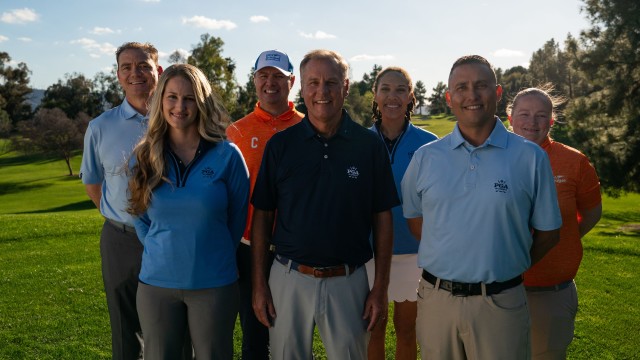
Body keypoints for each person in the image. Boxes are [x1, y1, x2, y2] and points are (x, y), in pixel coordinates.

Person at [401, 55, 563, 360]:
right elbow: (416, 220)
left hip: (501, 303)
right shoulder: (426, 158)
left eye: (481, 86)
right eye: (461, 87)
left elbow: (549, 233)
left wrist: (507, 261)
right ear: (449, 98)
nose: (471, 95)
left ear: (498, 93)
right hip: (437, 302)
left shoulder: (530, 158)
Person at [250, 49, 399, 359]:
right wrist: (260, 285)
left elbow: (382, 218)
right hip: (288, 278)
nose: (322, 92)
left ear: (345, 87)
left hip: (349, 280)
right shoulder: (281, 145)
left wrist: (380, 289)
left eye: (331, 82)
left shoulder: (368, 146)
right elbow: (263, 216)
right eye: (313, 82)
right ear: (302, 87)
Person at [127, 63, 249, 359]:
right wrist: (165, 250)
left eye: (189, 98)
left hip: (214, 284)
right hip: (157, 285)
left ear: (201, 103)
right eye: (172, 97)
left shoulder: (227, 155)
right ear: (160, 100)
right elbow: (140, 218)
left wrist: (209, 252)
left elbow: (237, 220)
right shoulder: (143, 156)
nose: (179, 106)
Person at [80, 42, 162, 360]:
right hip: (121, 240)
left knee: (176, 325)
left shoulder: (179, 118)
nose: (134, 73)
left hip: (172, 239)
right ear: (118, 75)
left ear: (159, 70)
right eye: (126, 67)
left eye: (143, 65)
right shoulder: (100, 127)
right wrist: (119, 220)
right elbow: (92, 183)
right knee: (127, 331)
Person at [508, 85, 602, 360]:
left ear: (551, 120)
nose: (532, 122)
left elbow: (592, 213)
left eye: (541, 115)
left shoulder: (574, 161)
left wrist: (562, 239)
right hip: (499, 291)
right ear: (510, 117)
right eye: (524, 114)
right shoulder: (492, 156)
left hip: (550, 292)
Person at [225, 49, 303, 360]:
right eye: (263, 75)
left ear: (291, 82)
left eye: (278, 77)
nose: (270, 82)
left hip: (295, 248)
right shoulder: (237, 131)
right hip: (248, 247)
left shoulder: (307, 128)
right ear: (254, 80)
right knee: (255, 339)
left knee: (291, 337)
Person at [365, 67, 437, 360]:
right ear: (375, 95)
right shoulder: (359, 142)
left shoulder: (430, 144)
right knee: (373, 327)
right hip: (368, 254)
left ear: (411, 97)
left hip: (414, 252)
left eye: (400, 90)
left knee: (407, 329)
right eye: (385, 89)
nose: (392, 96)